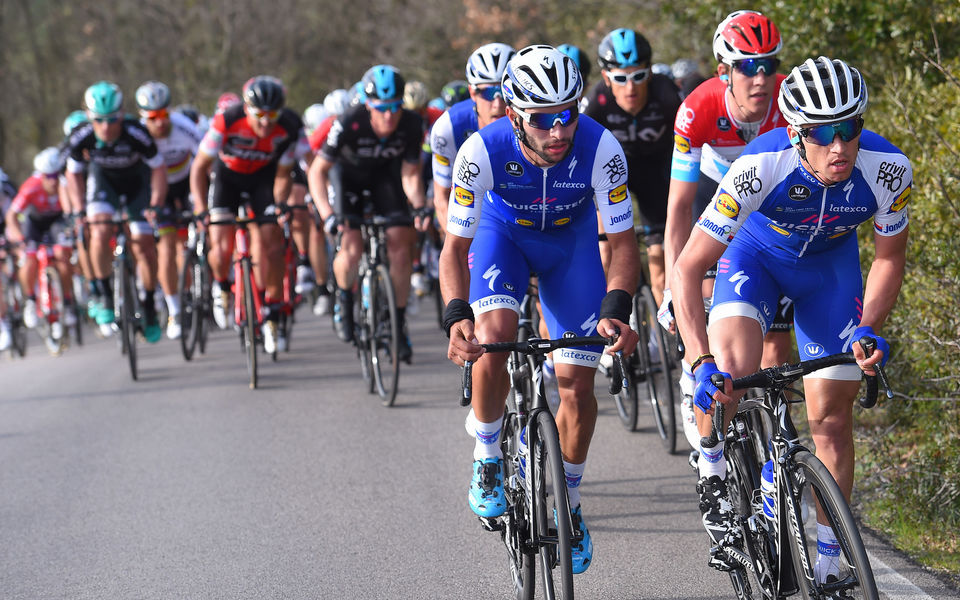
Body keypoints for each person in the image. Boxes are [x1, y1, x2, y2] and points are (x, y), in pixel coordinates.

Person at [672, 56, 910, 581]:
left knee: (831, 419)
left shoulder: (889, 170)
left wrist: (869, 323)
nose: (840, 146)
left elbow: (889, 257)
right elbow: (688, 268)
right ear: (797, 133)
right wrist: (699, 358)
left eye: (850, 128)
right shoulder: (759, 168)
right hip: (755, 261)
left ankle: (829, 557)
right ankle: (712, 467)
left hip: (829, 272)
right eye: (822, 134)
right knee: (730, 376)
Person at [441, 45, 640, 574]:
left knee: (577, 383)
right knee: (493, 338)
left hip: (569, 247)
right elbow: (454, 251)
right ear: (513, 115)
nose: (558, 131)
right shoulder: (480, 151)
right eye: (542, 120)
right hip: (501, 239)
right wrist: (456, 313)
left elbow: (622, 246)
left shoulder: (602, 149)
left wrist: (616, 306)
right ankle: (487, 454)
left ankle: (569, 502)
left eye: (567, 114)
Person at [660, 10, 791, 451]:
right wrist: (672, 291)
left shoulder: (790, 100)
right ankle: (693, 371)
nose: (760, 78)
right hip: (714, 195)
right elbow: (678, 209)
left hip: (768, 203)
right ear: (724, 71)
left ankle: (777, 452)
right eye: (747, 67)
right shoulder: (697, 108)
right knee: (700, 290)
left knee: (776, 340)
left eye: (769, 65)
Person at [307, 64, 428, 362]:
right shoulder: (350, 120)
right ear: (368, 104)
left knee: (401, 243)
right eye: (381, 108)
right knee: (351, 246)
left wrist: (419, 205)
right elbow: (317, 171)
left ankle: (398, 323)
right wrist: (326, 213)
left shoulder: (412, 123)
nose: (389, 115)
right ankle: (344, 300)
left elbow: (411, 175)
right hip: (347, 181)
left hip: (385, 181)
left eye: (395, 107)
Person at [190, 75, 309, 353]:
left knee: (271, 244)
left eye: (272, 115)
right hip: (226, 180)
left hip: (263, 182)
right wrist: (199, 207)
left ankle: (272, 309)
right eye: (259, 115)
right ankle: (222, 288)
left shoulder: (289, 126)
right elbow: (199, 168)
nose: (266, 122)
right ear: (246, 109)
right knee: (220, 248)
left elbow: (283, 175)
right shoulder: (227, 121)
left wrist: (280, 203)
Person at [64, 80, 168, 341]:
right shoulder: (80, 136)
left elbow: (158, 169)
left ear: (122, 114)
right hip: (104, 183)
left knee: (144, 246)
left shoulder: (137, 133)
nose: (106, 127)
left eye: (112, 119)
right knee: (98, 232)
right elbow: (73, 175)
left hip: (137, 184)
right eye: (99, 120)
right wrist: (79, 210)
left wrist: (155, 203)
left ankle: (148, 305)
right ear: (89, 117)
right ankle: (107, 294)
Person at [586, 27, 681, 305]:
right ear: (606, 77)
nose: (631, 87)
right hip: (612, 177)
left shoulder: (665, 93)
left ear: (650, 72)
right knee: (606, 254)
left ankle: (661, 333)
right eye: (620, 78)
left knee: (661, 262)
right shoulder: (596, 101)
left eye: (639, 76)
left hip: (656, 173)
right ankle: (617, 319)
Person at [135, 80, 204, 339]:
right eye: (153, 117)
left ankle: (200, 277)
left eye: (164, 114)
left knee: (191, 239)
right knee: (166, 246)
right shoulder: (138, 134)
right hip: (158, 190)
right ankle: (175, 310)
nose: (161, 122)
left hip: (187, 182)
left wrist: (202, 201)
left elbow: (206, 161)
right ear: (144, 117)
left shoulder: (185, 128)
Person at [431, 43, 515, 233]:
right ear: (472, 92)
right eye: (488, 92)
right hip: (471, 206)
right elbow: (442, 197)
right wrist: (456, 248)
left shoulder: (533, 123)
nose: (498, 103)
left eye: (504, 92)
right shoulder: (448, 128)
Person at [5, 148, 76, 353]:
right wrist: (20, 239)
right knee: (29, 258)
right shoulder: (31, 187)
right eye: (48, 177)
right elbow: (11, 216)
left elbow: (72, 212)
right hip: (34, 224)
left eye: (56, 175)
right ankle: (30, 300)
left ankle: (67, 300)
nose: (53, 181)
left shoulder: (65, 184)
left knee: (63, 256)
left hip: (57, 222)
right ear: (41, 175)